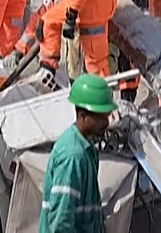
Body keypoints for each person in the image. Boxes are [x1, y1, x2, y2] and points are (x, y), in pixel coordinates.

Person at [40, 73, 116, 232]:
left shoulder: (87, 149)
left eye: (107, 116)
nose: (107, 123)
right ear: (83, 116)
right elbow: (60, 223)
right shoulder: (73, 156)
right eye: (101, 117)